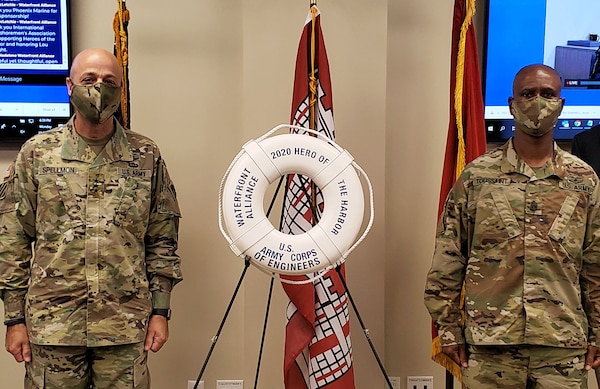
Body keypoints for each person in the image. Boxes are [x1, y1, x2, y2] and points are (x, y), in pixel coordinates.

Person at [0, 48, 182, 389]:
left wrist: (161, 311)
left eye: (109, 81)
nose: (99, 88)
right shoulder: (37, 153)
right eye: (88, 79)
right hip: (53, 326)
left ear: (121, 90)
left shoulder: (145, 156)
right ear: (69, 86)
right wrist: (14, 319)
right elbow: (12, 238)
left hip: (124, 327)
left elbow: (162, 237)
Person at [424, 63, 600, 388]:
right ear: (511, 103)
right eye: (527, 93)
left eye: (547, 94)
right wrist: (448, 329)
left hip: (561, 347)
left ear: (561, 104)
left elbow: (595, 266)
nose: (537, 102)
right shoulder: (477, 177)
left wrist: (598, 333)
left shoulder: (584, 180)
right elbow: (447, 261)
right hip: (490, 347)